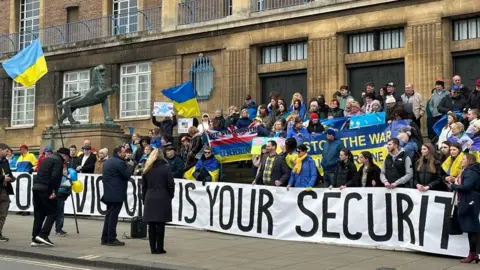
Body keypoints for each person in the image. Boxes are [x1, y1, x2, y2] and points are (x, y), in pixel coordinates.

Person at [31, 148, 71, 247]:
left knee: (39, 215)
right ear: (64, 156)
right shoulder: (58, 161)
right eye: (67, 158)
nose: (66, 161)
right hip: (46, 189)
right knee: (53, 212)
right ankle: (43, 235)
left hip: (36, 188)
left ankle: (35, 238)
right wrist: (54, 191)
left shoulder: (47, 158)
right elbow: (55, 177)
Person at [446, 153, 480, 263]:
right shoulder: (469, 171)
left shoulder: (470, 172)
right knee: (471, 228)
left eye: (463, 159)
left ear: (469, 160)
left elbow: (467, 186)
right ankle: (473, 253)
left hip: (470, 201)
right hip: (469, 200)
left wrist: (453, 186)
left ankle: (473, 254)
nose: (461, 161)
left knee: (472, 228)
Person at [141, 149, 174, 254]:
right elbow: (170, 184)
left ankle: (152, 248)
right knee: (160, 224)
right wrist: (170, 195)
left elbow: (144, 186)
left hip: (150, 197)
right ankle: (159, 247)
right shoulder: (166, 168)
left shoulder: (147, 168)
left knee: (151, 225)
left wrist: (144, 199)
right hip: (162, 197)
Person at [101, 145, 134, 246]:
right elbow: (127, 175)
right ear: (119, 153)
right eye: (124, 152)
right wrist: (130, 165)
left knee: (109, 215)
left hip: (108, 192)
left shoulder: (107, 162)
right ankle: (111, 238)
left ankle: (105, 237)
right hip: (116, 193)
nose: (125, 154)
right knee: (113, 216)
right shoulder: (120, 163)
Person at [0, 143, 15, 242]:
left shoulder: (5, 161)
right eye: (6, 151)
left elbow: (10, 173)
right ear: (0, 150)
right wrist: (2, 178)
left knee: (3, 214)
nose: (7, 153)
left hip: (5, 191)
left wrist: (12, 178)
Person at [55, 167, 72, 237]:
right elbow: (66, 185)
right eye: (63, 169)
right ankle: (58, 229)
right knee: (60, 213)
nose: (65, 171)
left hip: (61, 196)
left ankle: (58, 228)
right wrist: (69, 180)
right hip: (59, 196)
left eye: (65, 170)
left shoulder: (64, 177)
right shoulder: (60, 177)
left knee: (59, 212)